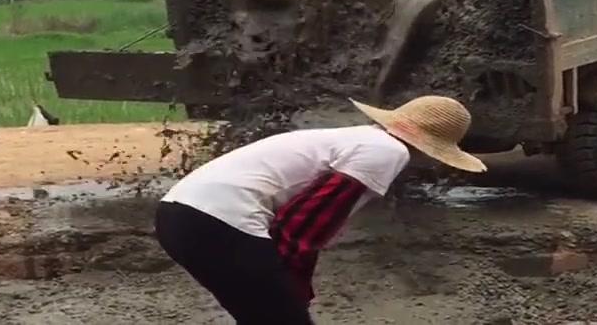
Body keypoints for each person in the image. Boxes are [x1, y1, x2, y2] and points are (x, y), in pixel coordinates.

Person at [154, 95, 487, 324]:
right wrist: (295, 288)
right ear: (433, 148)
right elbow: (305, 224)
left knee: (262, 316)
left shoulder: (359, 138)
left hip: (179, 214)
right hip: (217, 223)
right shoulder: (388, 152)